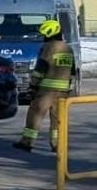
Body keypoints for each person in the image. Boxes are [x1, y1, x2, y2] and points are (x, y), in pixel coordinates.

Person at [13, 19, 77, 152]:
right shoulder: (68, 48)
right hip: (63, 91)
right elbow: (72, 70)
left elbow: (40, 69)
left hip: (47, 90)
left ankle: (27, 142)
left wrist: (33, 86)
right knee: (58, 119)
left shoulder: (48, 48)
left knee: (35, 114)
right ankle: (57, 144)